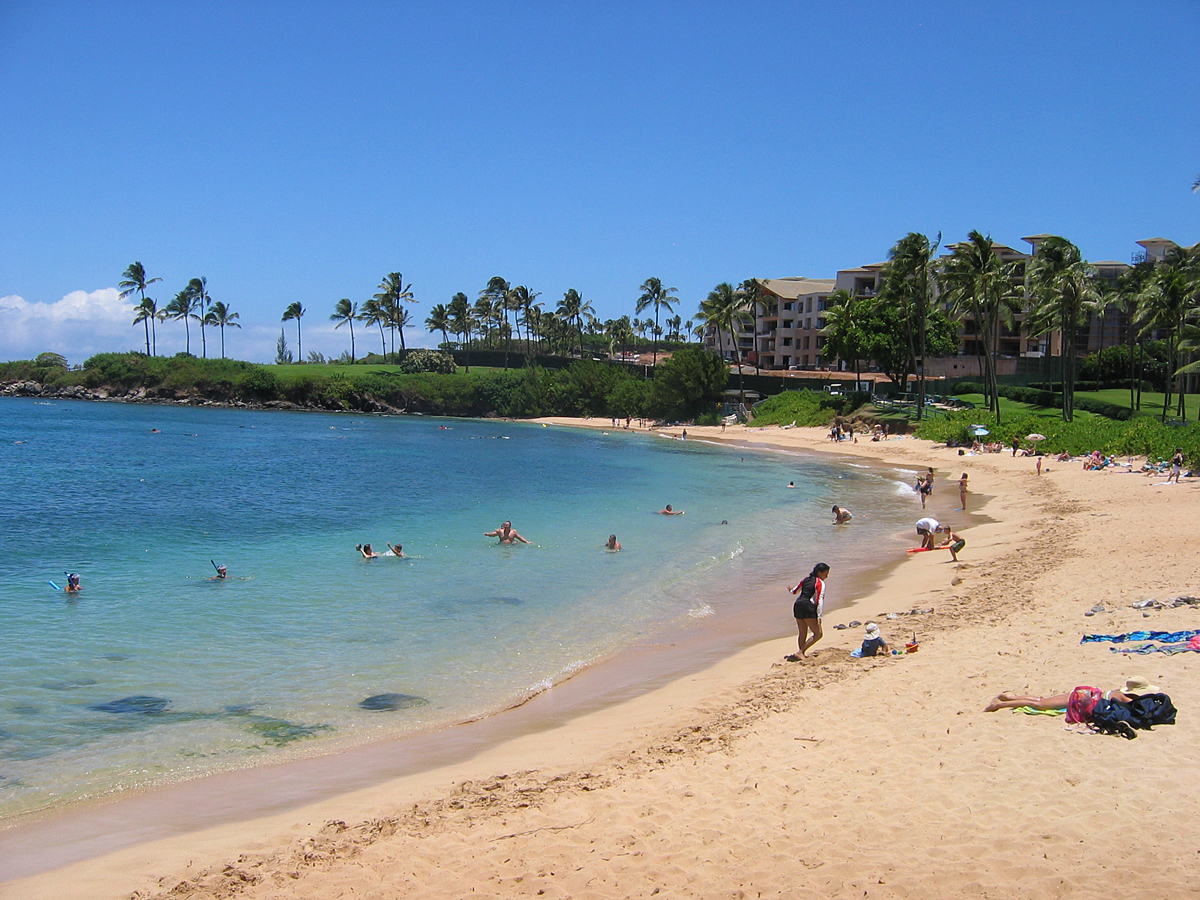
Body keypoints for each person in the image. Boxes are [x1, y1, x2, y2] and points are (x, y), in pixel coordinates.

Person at [984, 678, 1156, 713]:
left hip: (1087, 691)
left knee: (1042, 700)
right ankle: (1001, 704)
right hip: (1084, 699)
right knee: (1041, 704)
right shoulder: (1125, 699)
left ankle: (1010, 698)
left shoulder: (1118, 693)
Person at [786, 563, 829, 660]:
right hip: (808, 607)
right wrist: (819, 616)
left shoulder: (805, 580)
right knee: (818, 634)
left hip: (798, 605)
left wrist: (790, 589)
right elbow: (819, 599)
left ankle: (801, 654)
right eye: (825, 574)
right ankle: (800, 652)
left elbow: (794, 591)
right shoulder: (820, 583)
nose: (827, 576)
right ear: (819, 573)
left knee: (802, 632)